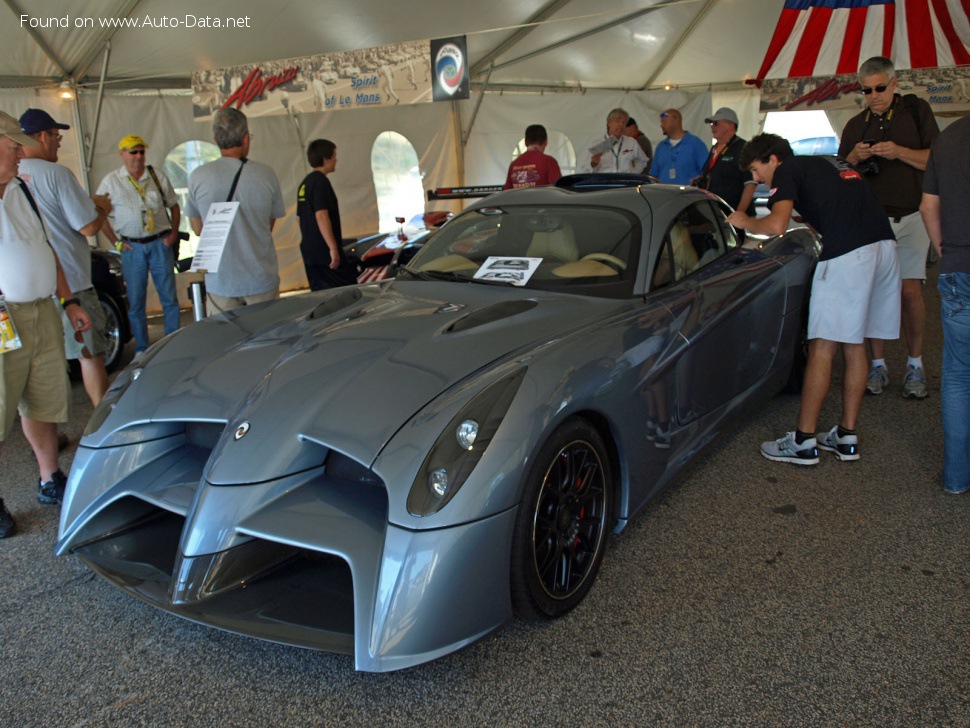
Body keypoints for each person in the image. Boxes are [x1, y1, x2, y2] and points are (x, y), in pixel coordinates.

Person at [727, 134, 900, 465]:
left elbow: (776, 224)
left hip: (849, 255)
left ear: (773, 159)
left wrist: (744, 220)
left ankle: (804, 441)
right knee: (854, 342)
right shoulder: (827, 162)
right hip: (884, 247)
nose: (757, 180)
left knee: (823, 345)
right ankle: (846, 436)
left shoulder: (788, 170)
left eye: (756, 170)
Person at [0, 111, 93, 538]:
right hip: (5, 318)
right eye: (13, 144)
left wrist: (69, 298)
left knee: (43, 397)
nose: (22, 151)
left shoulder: (21, 187)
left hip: (41, 309)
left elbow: (47, 247)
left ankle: (49, 477)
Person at [838, 56, 939, 399]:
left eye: (880, 88)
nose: (874, 96)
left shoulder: (916, 112)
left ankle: (916, 364)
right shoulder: (855, 124)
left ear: (894, 84)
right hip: (873, 220)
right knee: (876, 293)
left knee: (910, 292)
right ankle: (878, 365)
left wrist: (899, 151)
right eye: (866, 90)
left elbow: (934, 160)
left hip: (912, 215)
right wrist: (853, 158)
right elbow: (839, 174)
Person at [18, 108, 112, 406]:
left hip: (30, 289)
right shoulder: (57, 174)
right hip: (71, 283)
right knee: (89, 355)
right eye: (57, 137)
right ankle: (103, 427)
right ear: (43, 136)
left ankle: (48, 438)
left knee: (37, 368)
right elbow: (87, 225)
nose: (58, 143)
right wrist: (101, 207)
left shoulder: (10, 177)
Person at [185, 108, 286, 315]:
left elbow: (198, 229)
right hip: (260, 278)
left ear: (215, 139)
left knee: (227, 343)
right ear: (246, 138)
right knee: (267, 341)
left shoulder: (198, 176)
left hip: (221, 281)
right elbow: (268, 225)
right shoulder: (266, 175)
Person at [920, 115, 970, 494]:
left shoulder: (948, 137)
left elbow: (927, 207)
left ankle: (955, 479)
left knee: (957, 377)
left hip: (956, 267)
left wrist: (943, 249)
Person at [96, 134, 181, 356]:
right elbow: (98, 214)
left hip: (159, 242)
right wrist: (115, 242)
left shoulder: (157, 175)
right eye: (133, 151)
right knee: (136, 301)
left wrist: (172, 235)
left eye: (141, 151)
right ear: (122, 154)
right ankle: (142, 348)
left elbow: (174, 206)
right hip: (132, 247)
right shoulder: (111, 181)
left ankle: (172, 341)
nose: (138, 156)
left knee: (169, 297)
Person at [297, 139, 358, 291]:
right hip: (325, 254)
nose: (336, 160)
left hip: (309, 251)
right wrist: (333, 248)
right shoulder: (321, 182)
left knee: (320, 295)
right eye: (334, 156)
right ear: (325, 159)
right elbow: (321, 215)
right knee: (347, 292)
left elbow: (299, 218)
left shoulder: (305, 183)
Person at [695, 107, 756, 216]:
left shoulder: (743, 148)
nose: (712, 126)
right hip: (717, 214)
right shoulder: (714, 149)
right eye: (711, 123)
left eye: (716, 123)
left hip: (737, 216)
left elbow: (750, 184)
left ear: (731, 126)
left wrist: (739, 214)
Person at [579, 108, 649, 174]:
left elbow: (643, 161)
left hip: (624, 184)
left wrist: (633, 173)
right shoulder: (598, 143)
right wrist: (593, 164)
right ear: (609, 122)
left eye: (624, 122)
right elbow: (585, 169)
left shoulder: (631, 142)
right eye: (618, 121)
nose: (621, 125)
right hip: (605, 184)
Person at [649, 108, 709, 185]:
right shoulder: (661, 146)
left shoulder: (696, 144)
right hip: (664, 195)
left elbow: (706, 173)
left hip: (688, 195)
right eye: (661, 122)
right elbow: (654, 175)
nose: (661, 125)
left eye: (664, 121)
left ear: (675, 120)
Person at [503, 125, 562, 190]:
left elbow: (506, 193)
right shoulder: (549, 161)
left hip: (518, 200)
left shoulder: (514, 164)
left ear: (525, 142)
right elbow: (558, 191)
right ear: (546, 142)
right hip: (542, 200)